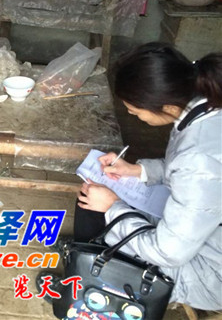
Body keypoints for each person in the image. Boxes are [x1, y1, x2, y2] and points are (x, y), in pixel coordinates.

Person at [66, 43, 221, 311]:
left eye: (135, 110)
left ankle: (87, 289)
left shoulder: (198, 159)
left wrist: (112, 206)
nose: (130, 113)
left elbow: (167, 253)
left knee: (98, 211)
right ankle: (82, 268)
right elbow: (187, 171)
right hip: (201, 232)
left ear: (167, 106)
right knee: (93, 196)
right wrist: (136, 170)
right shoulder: (205, 105)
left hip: (208, 271)